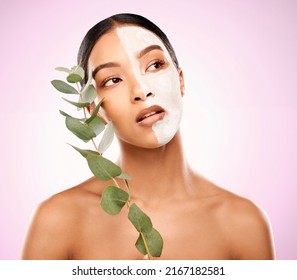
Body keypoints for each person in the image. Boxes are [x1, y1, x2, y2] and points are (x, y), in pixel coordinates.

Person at [22, 13, 275, 260]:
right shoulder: (59, 221)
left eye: (154, 65)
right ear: (94, 110)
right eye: (113, 80)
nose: (141, 91)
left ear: (181, 80)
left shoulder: (244, 223)